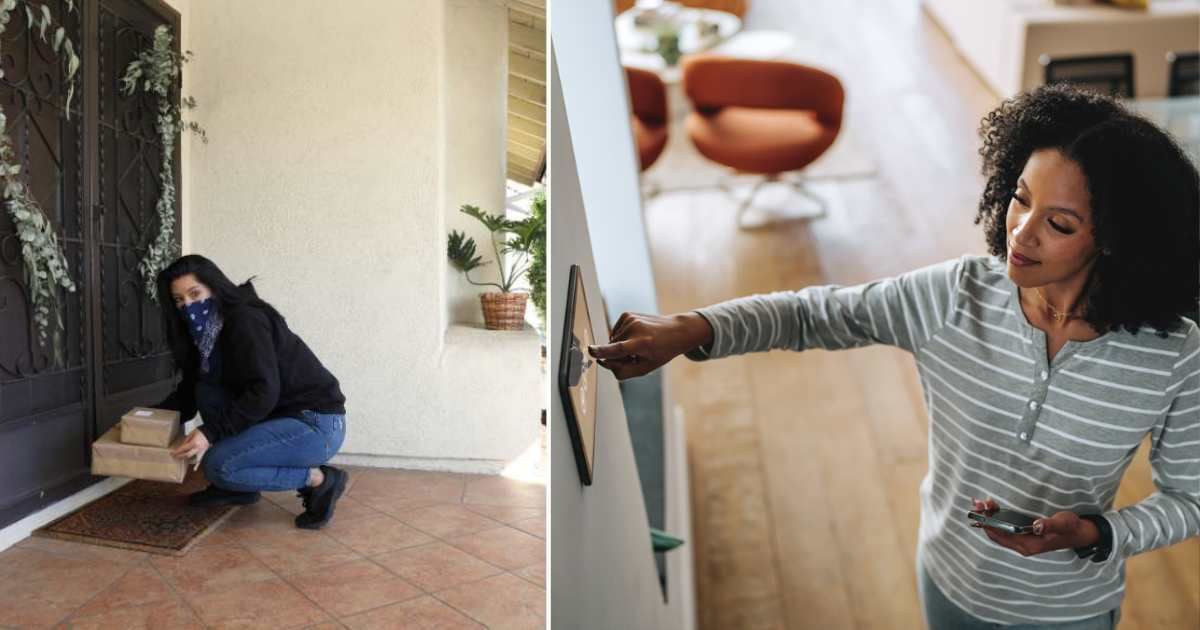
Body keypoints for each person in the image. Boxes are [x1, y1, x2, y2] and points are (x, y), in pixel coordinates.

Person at [591, 84, 1199, 629]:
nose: (1021, 232)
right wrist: (691, 327)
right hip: (948, 583)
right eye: (1020, 197)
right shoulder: (955, 296)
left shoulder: (1174, 354)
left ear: (1117, 238)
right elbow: (814, 313)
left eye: (1059, 224)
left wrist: (1100, 533)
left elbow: (1190, 500)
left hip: (1069, 613)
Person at [154, 255, 350, 529]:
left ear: (215, 287)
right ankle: (237, 489)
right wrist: (147, 420)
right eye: (178, 300)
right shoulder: (206, 336)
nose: (188, 305)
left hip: (315, 424)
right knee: (207, 389)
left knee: (218, 465)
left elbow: (264, 391)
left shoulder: (245, 319)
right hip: (278, 417)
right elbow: (190, 391)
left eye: (194, 293)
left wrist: (210, 433)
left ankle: (320, 480)